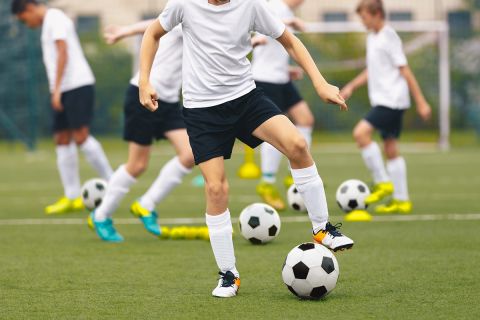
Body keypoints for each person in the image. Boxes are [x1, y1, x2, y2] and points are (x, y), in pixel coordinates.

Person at [139, 0, 354, 298]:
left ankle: (322, 228)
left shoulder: (251, 4)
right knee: (216, 189)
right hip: (202, 111)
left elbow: (290, 41)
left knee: (297, 144)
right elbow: (152, 33)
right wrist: (144, 81)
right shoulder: (183, 4)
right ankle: (229, 275)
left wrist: (320, 83)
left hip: (245, 98)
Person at [87, 22, 194, 242]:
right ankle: (101, 215)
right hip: (143, 95)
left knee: (190, 155)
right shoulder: (188, 10)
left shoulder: (211, 17)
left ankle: (146, 205)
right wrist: (125, 30)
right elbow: (155, 24)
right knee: (137, 165)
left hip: (169, 101)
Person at [11, 0, 113, 215]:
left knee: (81, 136)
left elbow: (63, 51)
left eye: (23, 20)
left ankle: (114, 184)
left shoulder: (55, 18)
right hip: (63, 88)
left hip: (76, 85)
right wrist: (56, 90)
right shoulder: (47, 22)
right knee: (61, 138)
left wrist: (56, 89)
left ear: (29, 9)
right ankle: (72, 195)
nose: (26, 24)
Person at [340, 0, 431, 217]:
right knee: (390, 148)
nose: (362, 21)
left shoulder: (389, 36)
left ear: (377, 13)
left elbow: (405, 70)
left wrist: (421, 101)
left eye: (364, 17)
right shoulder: (373, 37)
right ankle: (402, 200)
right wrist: (352, 85)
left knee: (360, 133)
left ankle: (383, 183)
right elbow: (373, 70)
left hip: (392, 101)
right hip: (385, 100)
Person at [251, 0, 313, 211]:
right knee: (273, 130)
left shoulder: (284, 9)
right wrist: (290, 21)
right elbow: (265, 27)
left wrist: (288, 71)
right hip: (265, 79)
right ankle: (267, 183)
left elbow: (275, 48)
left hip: (281, 79)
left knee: (306, 119)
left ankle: (293, 172)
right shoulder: (275, 6)